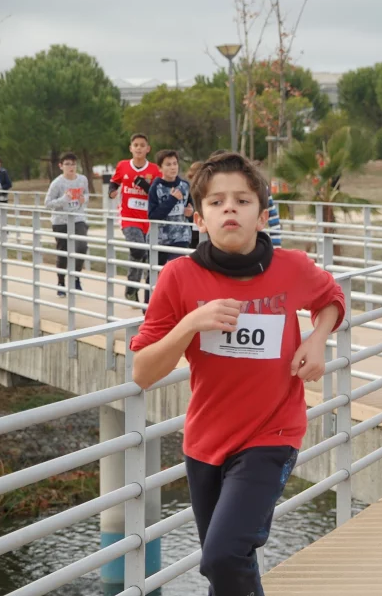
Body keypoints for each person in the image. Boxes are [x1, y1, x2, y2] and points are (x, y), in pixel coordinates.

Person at [129, 151, 345, 596]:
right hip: (205, 442)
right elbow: (143, 372)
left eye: (243, 201)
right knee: (226, 570)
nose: (230, 208)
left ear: (262, 215)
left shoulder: (292, 268)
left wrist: (317, 338)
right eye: (217, 201)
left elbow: (332, 297)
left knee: (223, 556)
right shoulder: (178, 278)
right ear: (200, 219)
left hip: (272, 434)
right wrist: (191, 323)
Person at [108, 133, 162, 303]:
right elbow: (114, 182)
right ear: (131, 148)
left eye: (142, 145)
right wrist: (112, 191)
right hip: (128, 217)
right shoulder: (123, 165)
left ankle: (133, 289)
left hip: (148, 220)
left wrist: (144, 185)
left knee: (144, 254)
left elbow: (157, 193)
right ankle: (133, 288)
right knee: (138, 250)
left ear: (148, 149)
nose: (139, 148)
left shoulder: (154, 169)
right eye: (136, 145)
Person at [45, 152, 90, 297]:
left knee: (81, 247)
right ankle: (61, 282)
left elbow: (87, 194)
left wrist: (85, 199)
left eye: (73, 164)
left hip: (78, 217)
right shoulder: (57, 183)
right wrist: (64, 200)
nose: (71, 167)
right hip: (60, 221)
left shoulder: (82, 179)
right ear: (61, 166)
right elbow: (47, 204)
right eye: (67, 164)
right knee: (63, 253)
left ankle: (75, 278)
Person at [148, 150, 193, 266]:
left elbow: (190, 209)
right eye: (168, 164)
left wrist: (190, 213)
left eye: (175, 163)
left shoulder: (185, 186)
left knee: (178, 270)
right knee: (157, 275)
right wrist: (172, 200)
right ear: (160, 168)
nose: (173, 167)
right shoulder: (155, 187)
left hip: (181, 237)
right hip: (160, 239)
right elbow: (153, 216)